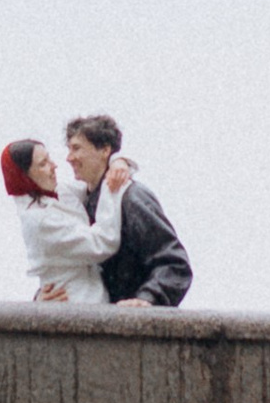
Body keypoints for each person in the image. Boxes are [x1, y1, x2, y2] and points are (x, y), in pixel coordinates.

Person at [64, 115, 191, 307]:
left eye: (76, 148)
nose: (69, 158)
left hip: (129, 327)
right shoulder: (77, 203)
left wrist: (147, 299)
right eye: (69, 149)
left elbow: (174, 264)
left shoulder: (132, 198)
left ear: (105, 150)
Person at [0, 136, 132, 306]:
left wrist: (116, 162)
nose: (54, 166)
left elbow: (95, 183)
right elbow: (103, 242)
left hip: (93, 302)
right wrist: (115, 182)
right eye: (43, 164)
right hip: (74, 307)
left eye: (49, 159)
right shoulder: (39, 220)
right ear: (25, 177)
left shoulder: (57, 192)